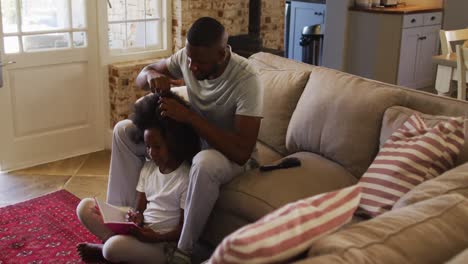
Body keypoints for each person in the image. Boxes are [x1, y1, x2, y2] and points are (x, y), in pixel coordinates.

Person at [106, 16, 263, 263]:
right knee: (124, 131)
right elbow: (142, 76)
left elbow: (242, 151)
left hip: (229, 156)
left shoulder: (247, 80)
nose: (190, 67)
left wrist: (189, 117)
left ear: (222, 54)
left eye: (199, 62)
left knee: (204, 162)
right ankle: (122, 221)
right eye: (189, 58)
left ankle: (183, 252)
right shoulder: (188, 58)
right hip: (196, 141)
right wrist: (150, 76)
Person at [77, 93, 200, 263]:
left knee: (113, 248)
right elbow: (139, 207)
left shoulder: (186, 177)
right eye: (148, 146)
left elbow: (183, 229)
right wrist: (136, 217)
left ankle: (110, 250)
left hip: (162, 245)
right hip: (141, 232)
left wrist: (155, 237)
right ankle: (117, 251)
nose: (151, 153)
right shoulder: (149, 168)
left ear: (175, 142)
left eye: (157, 147)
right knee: (85, 207)